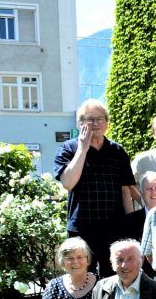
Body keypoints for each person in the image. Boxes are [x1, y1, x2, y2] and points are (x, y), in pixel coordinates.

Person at [55, 99, 136, 277]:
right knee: (82, 276)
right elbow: (68, 183)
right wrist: (82, 149)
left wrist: (129, 226)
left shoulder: (117, 151)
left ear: (107, 123)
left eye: (100, 119)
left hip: (113, 227)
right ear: (80, 123)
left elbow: (125, 191)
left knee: (114, 276)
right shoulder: (68, 148)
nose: (95, 124)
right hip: (82, 228)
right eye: (90, 119)